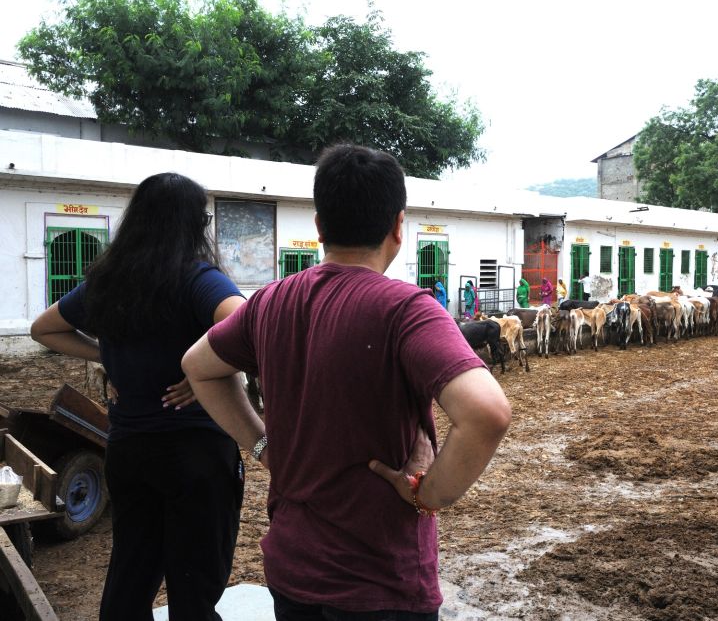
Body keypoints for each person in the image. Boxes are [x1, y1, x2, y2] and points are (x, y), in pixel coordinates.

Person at [181, 144, 511, 620]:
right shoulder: (406, 308)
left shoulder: (269, 301)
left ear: (319, 226)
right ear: (399, 226)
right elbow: (487, 412)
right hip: (379, 583)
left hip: (293, 573)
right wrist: (429, 493)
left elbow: (198, 366)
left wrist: (260, 446)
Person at [30, 173, 246, 621]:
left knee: (131, 575)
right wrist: (206, 365)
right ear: (193, 224)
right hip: (197, 454)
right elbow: (250, 326)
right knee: (195, 586)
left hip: (129, 451)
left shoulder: (108, 281)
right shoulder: (197, 279)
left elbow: (44, 328)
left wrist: (104, 355)